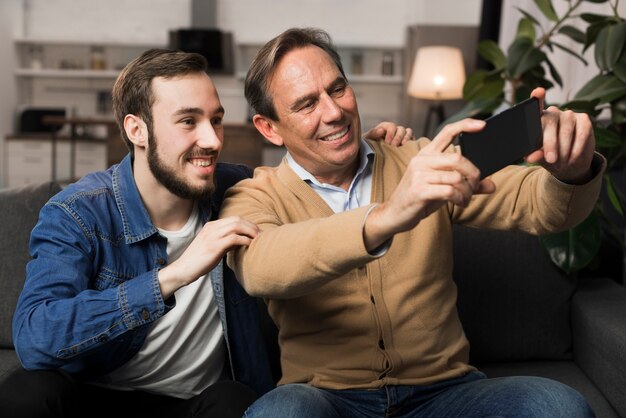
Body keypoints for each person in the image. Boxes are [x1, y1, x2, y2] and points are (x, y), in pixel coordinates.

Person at [0, 47, 411, 418]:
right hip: (92, 398)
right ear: (136, 130)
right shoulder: (78, 213)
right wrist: (173, 275)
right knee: (26, 394)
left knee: (235, 399)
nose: (212, 140)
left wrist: (366, 151)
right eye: (188, 122)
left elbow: (310, 178)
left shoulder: (239, 190)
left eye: (215, 120)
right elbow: (36, 336)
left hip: (197, 406)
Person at [219, 27, 606, 417]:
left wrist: (571, 172)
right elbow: (260, 267)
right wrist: (387, 215)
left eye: (337, 89)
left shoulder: (419, 161)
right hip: (328, 400)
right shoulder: (255, 195)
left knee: (559, 406)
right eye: (306, 105)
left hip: (445, 395)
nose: (334, 112)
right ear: (269, 127)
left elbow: (537, 205)